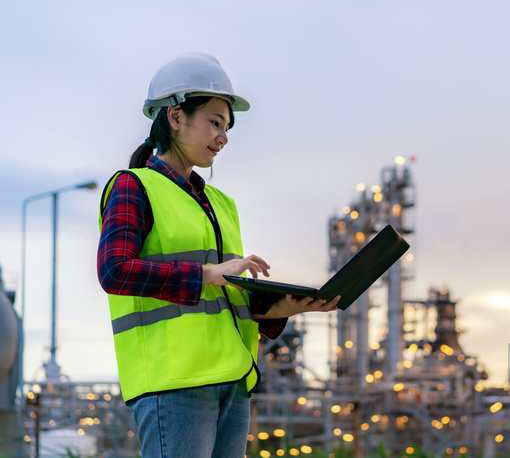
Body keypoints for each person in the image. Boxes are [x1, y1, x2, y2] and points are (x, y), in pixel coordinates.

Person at [97, 52, 339, 457]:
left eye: (226, 127)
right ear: (175, 117)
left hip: (233, 381)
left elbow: (224, 301)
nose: (223, 136)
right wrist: (208, 273)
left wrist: (284, 310)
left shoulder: (222, 204)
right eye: (214, 122)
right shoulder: (133, 187)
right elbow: (114, 271)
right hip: (174, 385)